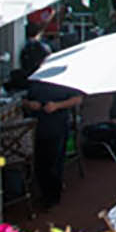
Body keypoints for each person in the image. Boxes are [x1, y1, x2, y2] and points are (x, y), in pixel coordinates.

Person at [18, 39, 83, 209]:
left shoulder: (62, 76)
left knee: (54, 161)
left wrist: (56, 106)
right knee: (40, 162)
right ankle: (45, 192)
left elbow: (77, 98)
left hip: (56, 123)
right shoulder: (32, 76)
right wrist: (29, 104)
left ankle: (52, 197)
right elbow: (23, 97)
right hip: (36, 125)